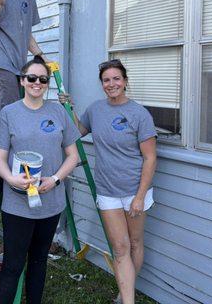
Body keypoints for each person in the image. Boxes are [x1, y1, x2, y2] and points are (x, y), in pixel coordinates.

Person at [60, 59, 157, 304]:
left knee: (135, 243)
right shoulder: (95, 110)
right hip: (107, 191)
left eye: (116, 79)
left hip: (136, 190)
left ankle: (124, 292)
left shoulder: (139, 114)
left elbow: (150, 158)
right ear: (102, 84)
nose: (111, 84)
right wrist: (68, 109)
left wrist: (139, 196)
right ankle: (128, 299)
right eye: (106, 80)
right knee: (121, 248)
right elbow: (76, 132)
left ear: (125, 81)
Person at [0, 58, 80, 304]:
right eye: (32, 78)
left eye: (42, 79)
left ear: (47, 83)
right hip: (17, 205)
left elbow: (73, 155)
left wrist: (56, 179)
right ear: (22, 81)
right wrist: (9, 178)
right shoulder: (9, 113)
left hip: (50, 202)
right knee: (12, 265)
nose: (37, 83)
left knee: (39, 263)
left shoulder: (58, 112)